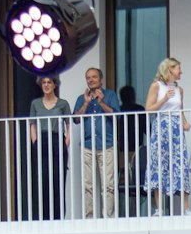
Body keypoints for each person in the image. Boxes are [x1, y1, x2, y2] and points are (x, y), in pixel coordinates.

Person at [144, 56, 191, 215]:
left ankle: (185, 208)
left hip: (176, 129)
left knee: (180, 163)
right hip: (162, 127)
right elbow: (149, 109)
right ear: (169, 69)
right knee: (159, 163)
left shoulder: (180, 89)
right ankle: (159, 208)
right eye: (178, 68)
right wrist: (164, 99)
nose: (181, 72)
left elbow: (180, 109)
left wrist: (184, 122)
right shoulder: (156, 86)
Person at [71, 67, 120, 218]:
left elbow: (117, 116)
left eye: (94, 77)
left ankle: (108, 218)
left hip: (107, 144)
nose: (91, 80)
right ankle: (89, 218)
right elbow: (76, 119)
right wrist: (85, 104)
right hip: (87, 145)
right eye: (88, 77)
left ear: (101, 79)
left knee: (109, 185)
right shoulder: (81, 98)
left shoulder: (110, 95)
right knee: (88, 185)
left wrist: (102, 102)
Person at [24, 74, 69, 220]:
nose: (46, 85)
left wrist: (65, 143)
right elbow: (32, 125)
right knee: (42, 180)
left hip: (57, 139)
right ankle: (43, 217)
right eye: (44, 82)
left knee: (58, 180)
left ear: (55, 85)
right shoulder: (35, 103)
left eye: (49, 82)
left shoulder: (63, 104)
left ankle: (58, 217)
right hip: (42, 140)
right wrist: (35, 142)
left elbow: (68, 125)